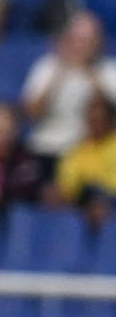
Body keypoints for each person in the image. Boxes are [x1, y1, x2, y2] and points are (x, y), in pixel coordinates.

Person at [23, 10, 116, 181]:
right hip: (45, 148)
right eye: (77, 40)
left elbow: (109, 113)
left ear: (99, 42)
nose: (81, 46)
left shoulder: (109, 70)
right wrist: (59, 75)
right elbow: (31, 112)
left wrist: (91, 76)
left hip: (88, 153)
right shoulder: (48, 66)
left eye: (87, 41)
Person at [52, 95, 116, 227]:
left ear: (110, 120)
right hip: (84, 206)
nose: (95, 124)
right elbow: (68, 187)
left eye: (101, 120)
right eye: (91, 120)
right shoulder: (76, 151)